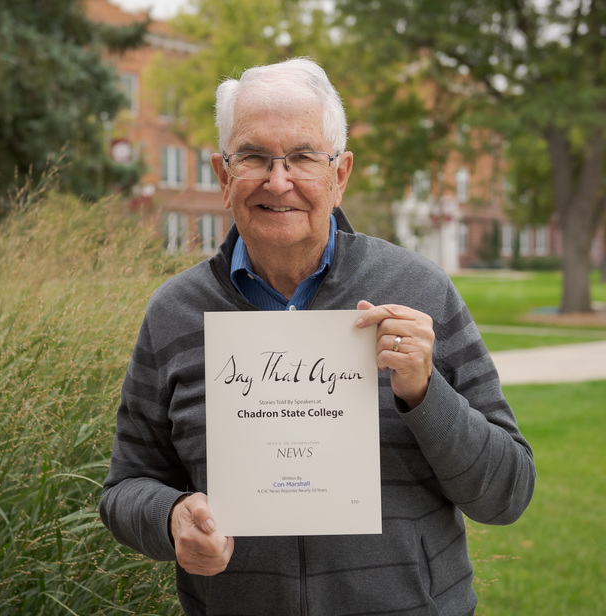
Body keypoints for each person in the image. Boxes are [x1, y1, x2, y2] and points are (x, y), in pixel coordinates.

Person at [99, 58, 535, 615]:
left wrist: (427, 394)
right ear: (223, 173)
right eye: (254, 156)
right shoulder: (176, 314)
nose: (277, 181)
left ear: (340, 173)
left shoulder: (418, 290)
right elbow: (125, 486)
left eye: (303, 157)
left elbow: (507, 493)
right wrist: (171, 517)